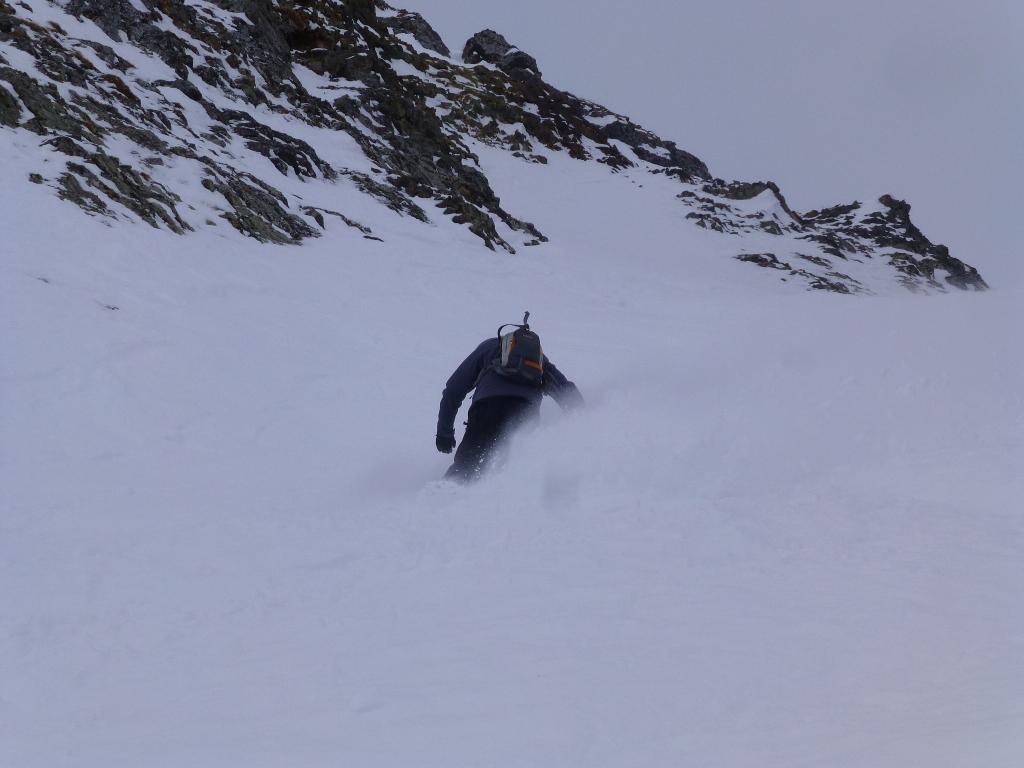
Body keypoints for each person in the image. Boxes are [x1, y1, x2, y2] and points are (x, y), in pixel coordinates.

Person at [436, 318, 582, 482]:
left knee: (465, 470)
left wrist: (444, 433)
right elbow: (566, 391)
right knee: (510, 476)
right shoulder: (538, 361)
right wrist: (587, 425)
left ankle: (440, 501)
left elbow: (453, 389)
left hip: (487, 410)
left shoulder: (490, 347)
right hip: (524, 415)